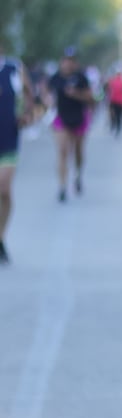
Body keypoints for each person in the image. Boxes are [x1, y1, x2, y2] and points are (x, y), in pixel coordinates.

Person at [45, 47, 94, 202]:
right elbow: (46, 91)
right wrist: (48, 100)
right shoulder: (56, 78)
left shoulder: (81, 78)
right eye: (66, 60)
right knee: (63, 151)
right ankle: (62, 186)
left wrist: (76, 94)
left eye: (71, 61)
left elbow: (90, 98)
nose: (68, 64)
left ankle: (78, 174)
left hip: (79, 117)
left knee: (78, 151)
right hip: (61, 118)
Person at [0, 49, 34, 264]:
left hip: (8, 139)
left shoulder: (14, 67)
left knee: (3, 189)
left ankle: (1, 236)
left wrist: (27, 114)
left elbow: (29, 93)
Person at [106, 66, 122, 137]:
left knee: (118, 115)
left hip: (119, 101)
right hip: (116, 100)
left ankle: (118, 127)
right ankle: (118, 127)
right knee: (118, 115)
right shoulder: (114, 80)